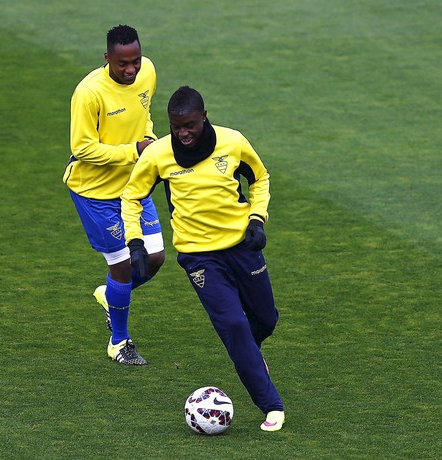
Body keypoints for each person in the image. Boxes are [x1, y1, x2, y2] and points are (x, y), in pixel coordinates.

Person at [121, 86, 285, 431]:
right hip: (198, 257)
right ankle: (270, 404)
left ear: (204, 117)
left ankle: (249, 354)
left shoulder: (233, 142)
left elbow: (261, 178)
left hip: (242, 247)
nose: (183, 134)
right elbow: (132, 197)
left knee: (266, 320)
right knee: (234, 325)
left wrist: (258, 218)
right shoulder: (158, 154)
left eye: (190, 125)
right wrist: (135, 242)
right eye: (176, 127)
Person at [63, 24, 165, 365]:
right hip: (95, 193)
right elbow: (82, 148)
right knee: (123, 264)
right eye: (123, 63)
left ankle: (111, 296)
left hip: (133, 187)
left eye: (135, 60)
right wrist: (134, 151)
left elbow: (144, 114)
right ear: (107, 58)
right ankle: (119, 342)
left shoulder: (148, 71)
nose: (131, 69)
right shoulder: (89, 93)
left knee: (154, 259)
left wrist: (148, 143)